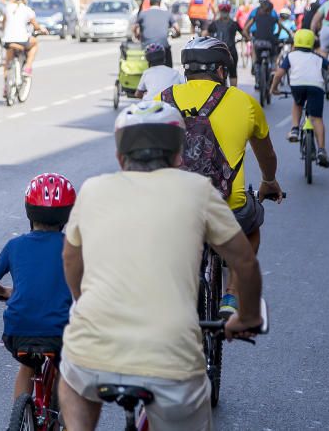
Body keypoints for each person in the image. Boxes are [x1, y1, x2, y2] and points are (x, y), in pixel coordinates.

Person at [58, 101, 263, 431]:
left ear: (119, 156)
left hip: (91, 353)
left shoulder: (93, 189)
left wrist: (81, 301)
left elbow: (71, 258)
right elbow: (244, 262)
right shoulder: (197, 190)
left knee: (72, 383)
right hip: (172, 363)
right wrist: (248, 317)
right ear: (178, 155)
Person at [158, 36, 283, 318]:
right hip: (228, 208)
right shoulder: (244, 102)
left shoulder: (161, 100)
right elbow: (267, 155)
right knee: (251, 227)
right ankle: (232, 295)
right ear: (221, 71)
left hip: (174, 206)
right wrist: (269, 181)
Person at [0, 173, 75, 401]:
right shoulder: (72, 247)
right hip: (58, 333)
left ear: (29, 211)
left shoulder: (15, 245)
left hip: (17, 332)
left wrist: (4, 292)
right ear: (67, 214)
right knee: (67, 371)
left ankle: (21, 415)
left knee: (27, 366)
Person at [270, 29, 329, 168]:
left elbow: (279, 74)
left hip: (297, 86)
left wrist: (273, 89)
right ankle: (321, 150)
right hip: (316, 87)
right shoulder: (317, 57)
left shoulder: (291, 56)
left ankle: (295, 128)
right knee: (317, 118)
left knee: (297, 103)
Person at [3, 0, 48, 88]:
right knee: (34, 43)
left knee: (7, 63)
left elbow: (3, 23)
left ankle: (5, 88)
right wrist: (43, 30)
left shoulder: (7, 8)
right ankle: (28, 68)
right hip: (22, 40)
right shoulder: (27, 10)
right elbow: (35, 26)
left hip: (7, 41)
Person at [134, 0, 180, 67]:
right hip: (163, 46)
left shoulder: (143, 13)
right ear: (160, 2)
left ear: (150, 2)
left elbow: (135, 28)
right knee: (168, 67)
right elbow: (177, 28)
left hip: (146, 47)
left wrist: (138, 36)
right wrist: (177, 35)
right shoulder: (167, 13)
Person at [244, 0, 288, 75]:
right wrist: (278, 34)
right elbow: (282, 26)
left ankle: (255, 65)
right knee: (274, 54)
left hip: (257, 37)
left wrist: (248, 37)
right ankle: (273, 68)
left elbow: (246, 27)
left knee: (254, 48)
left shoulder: (255, 13)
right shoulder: (273, 15)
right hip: (270, 39)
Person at [207, 2, 245, 87]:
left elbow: (205, 34)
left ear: (220, 11)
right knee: (233, 73)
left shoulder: (214, 24)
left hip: (217, 53)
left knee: (214, 72)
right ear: (229, 12)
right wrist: (248, 38)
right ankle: (233, 92)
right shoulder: (234, 23)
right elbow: (244, 33)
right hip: (231, 52)